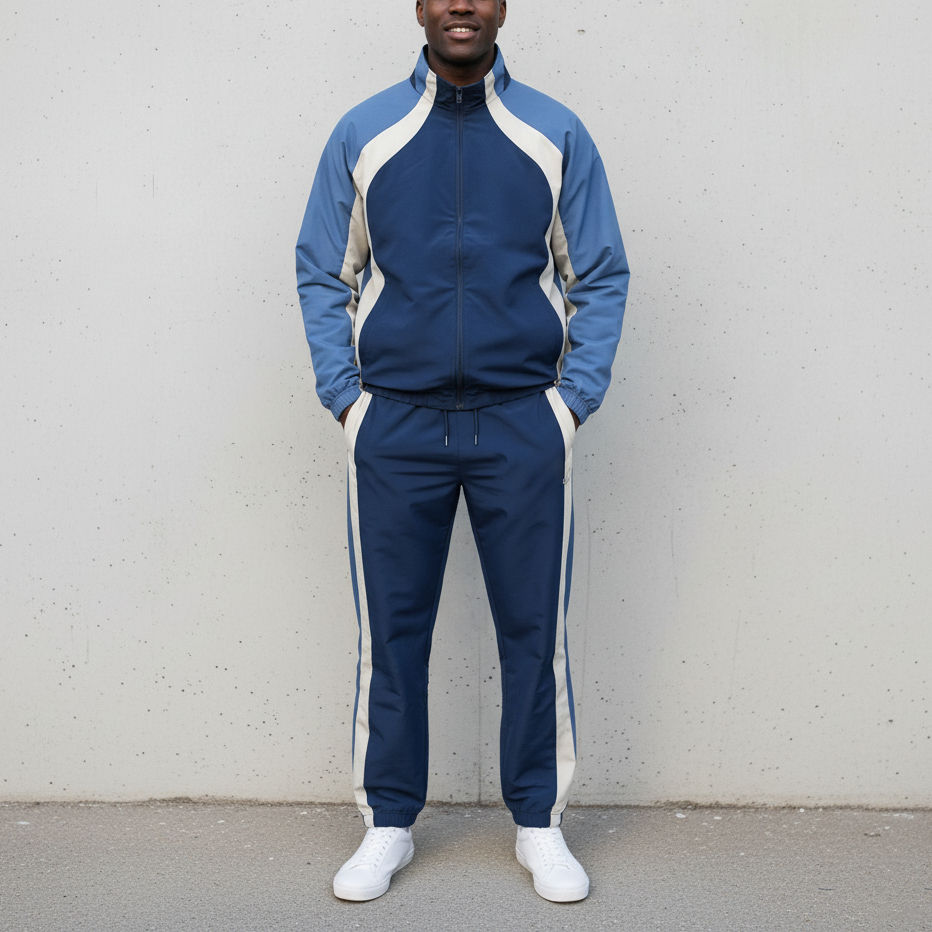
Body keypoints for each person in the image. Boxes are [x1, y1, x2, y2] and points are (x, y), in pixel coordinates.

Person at [295, 0, 629, 904]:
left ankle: (538, 823)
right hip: (395, 423)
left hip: (522, 421)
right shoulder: (366, 132)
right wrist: (346, 398)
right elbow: (324, 268)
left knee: (534, 633)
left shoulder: (553, 132)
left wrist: (571, 402)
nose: (461, 5)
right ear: (419, 5)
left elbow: (598, 272)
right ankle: (389, 823)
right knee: (392, 634)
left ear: (503, 5)